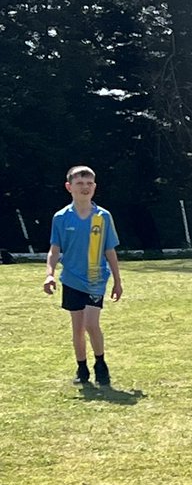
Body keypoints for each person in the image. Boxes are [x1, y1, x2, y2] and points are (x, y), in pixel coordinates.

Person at [43, 165, 123, 385]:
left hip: (96, 278)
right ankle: (82, 369)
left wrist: (117, 280)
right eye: (80, 184)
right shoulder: (61, 217)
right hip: (71, 279)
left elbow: (109, 250)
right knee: (77, 327)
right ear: (69, 187)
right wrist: (49, 275)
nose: (85, 188)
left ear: (95, 187)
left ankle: (101, 364)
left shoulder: (102, 217)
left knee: (91, 323)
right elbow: (55, 249)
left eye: (89, 184)